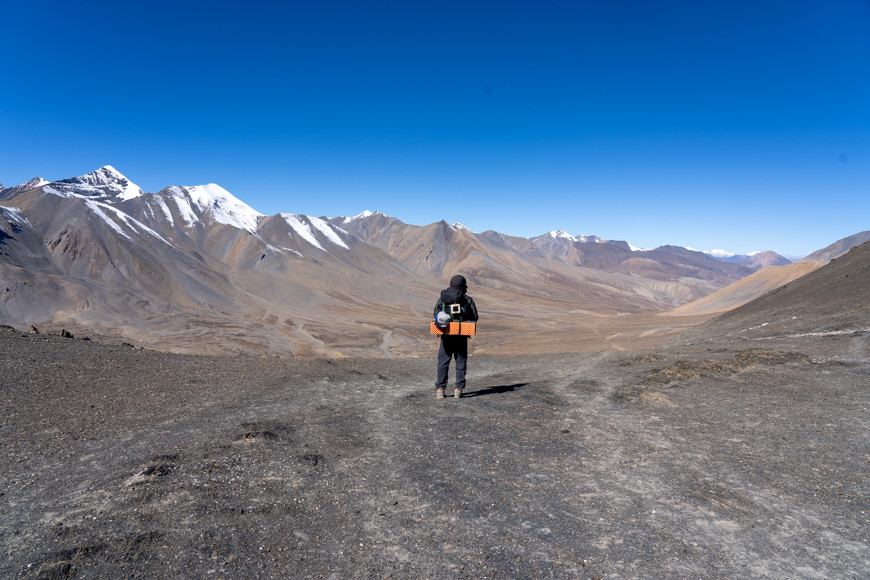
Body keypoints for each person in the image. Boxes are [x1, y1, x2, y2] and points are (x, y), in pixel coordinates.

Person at [433, 274, 479, 399]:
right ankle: (458, 389)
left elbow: (435, 314)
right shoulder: (467, 299)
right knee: (461, 362)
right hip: (461, 335)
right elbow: (475, 317)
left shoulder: (443, 298)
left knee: (443, 362)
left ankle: (440, 389)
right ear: (463, 285)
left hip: (446, 335)